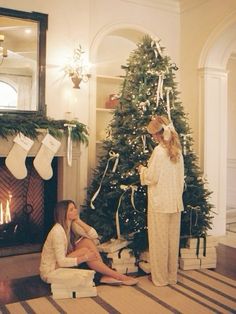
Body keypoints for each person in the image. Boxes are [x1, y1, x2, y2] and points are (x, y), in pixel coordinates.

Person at [39, 199, 138, 286]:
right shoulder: (57, 232)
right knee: (85, 250)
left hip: (62, 261)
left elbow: (94, 236)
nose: (76, 211)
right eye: (72, 209)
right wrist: (85, 258)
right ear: (64, 213)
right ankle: (118, 276)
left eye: (75, 208)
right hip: (52, 269)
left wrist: (78, 220)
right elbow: (61, 261)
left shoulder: (71, 225)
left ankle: (106, 275)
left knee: (87, 241)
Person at [138, 115, 184, 287]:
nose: (152, 137)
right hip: (175, 203)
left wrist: (142, 169)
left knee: (159, 242)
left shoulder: (158, 152)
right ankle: (172, 277)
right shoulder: (178, 151)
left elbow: (152, 177)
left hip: (160, 203)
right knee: (172, 241)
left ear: (158, 134)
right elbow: (181, 179)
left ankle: (160, 278)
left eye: (152, 134)